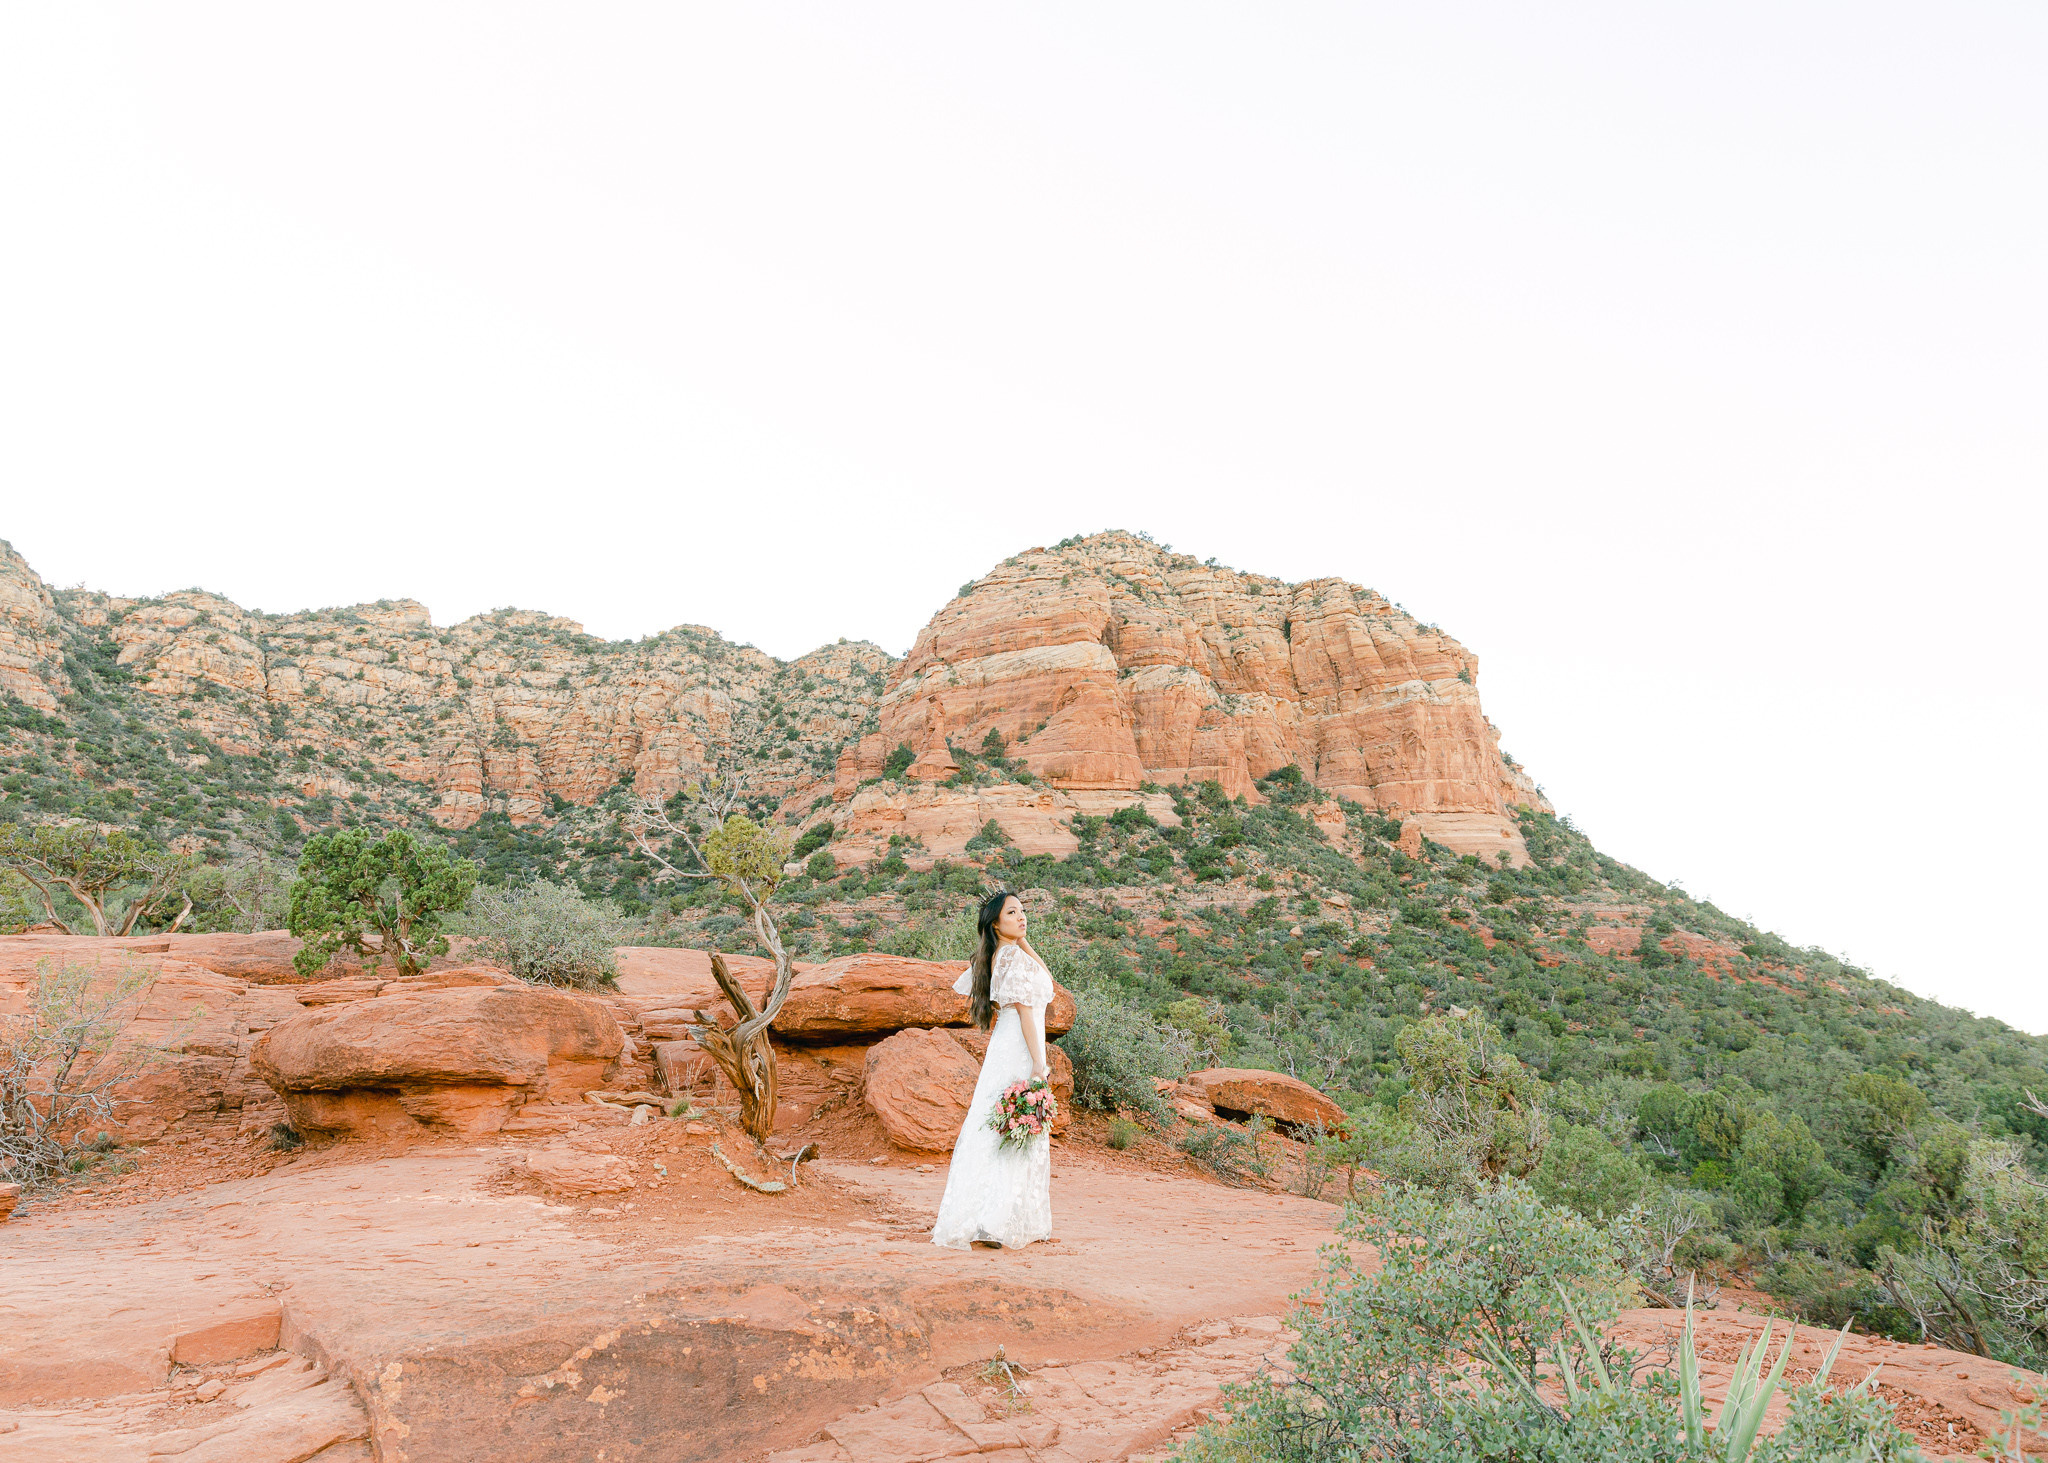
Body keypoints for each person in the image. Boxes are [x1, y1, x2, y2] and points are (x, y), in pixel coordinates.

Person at [931, 889, 1056, 1251]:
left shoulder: (1000, 956)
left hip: (1004, 1046)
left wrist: (1025, 941)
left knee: (996, 1124)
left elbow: (1045, 981)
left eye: (1022, 911)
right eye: (1012, 913)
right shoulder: (1011, 958)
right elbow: (1026, 1012)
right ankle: (997, 1219)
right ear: (995, 923)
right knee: (1012, 1126)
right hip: (1019, 1045)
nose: (1021, 917)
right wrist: (1038, 1061)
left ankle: (988, 1217)